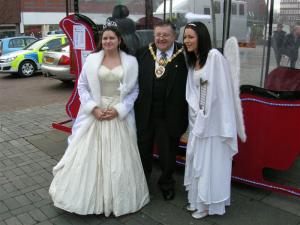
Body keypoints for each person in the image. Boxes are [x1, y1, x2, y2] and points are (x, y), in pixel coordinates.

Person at [49, 26, 149, 216]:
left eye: (111, 38)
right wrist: (93, 108)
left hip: (117, 114)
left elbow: (134, 91)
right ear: (101, 41)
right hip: (96, 111)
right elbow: (82, 86)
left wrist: (119, 110)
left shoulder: (131, 62)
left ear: (119, 40)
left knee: (119, 159)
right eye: (105, 39)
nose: (108, 41)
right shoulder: (92, 60)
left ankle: (116, 200)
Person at [183, 22, 246, 219]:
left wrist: (203, 118)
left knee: (210, 164)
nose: (186, 41)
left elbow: (215, 93)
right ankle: (197, 201)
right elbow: (192, 91)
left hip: (213, 125)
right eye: (185, 37)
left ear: (201, 37)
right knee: (197, 163)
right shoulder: (195, 60)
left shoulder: (214, 58)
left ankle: (208, 206)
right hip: (199, 121)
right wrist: (197, 117)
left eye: (191, 37)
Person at [134, 21, 188, 201]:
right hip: (145, 114)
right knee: (143, 152)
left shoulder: (185, 55)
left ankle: (166, 183)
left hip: (170, 116)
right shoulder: (143, 53)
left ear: (174, 36)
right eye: (158, 34)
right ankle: (142, 184)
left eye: (166, 35)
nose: (161, 38)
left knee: (167, 155)